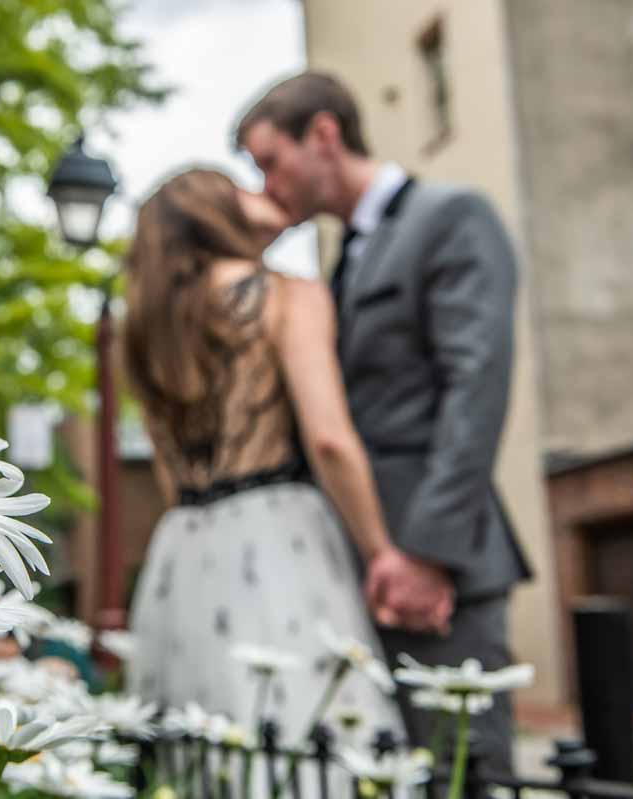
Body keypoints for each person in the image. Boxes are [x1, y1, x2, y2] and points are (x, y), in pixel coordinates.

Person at [234, 71, 533, 774]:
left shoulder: (452, 215)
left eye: (270, 161)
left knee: (464, 772)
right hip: (359, 568)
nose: (266, 184)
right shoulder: (341, 262)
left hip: (433, 572)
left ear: (325, 136)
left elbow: (475, 388)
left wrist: (426, 553)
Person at [122, 168, 405, 753]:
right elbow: (329, 438)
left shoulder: (146, 327)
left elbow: (167, 475)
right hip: (280, 534)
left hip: (182, 548)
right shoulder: (285, 294)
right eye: (242, 188)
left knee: (208, 752)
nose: (262, 192)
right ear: (218, 211)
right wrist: (381, 552)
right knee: (307, 731)